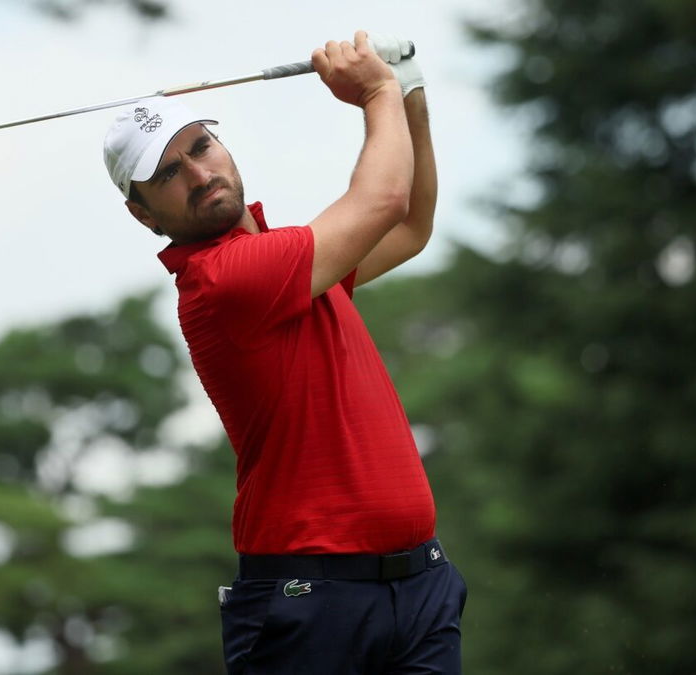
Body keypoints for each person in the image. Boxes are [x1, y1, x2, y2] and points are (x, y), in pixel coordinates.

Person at [102, 30, 464, 673]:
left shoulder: (293, 262)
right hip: (313, 601)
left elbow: (409, 227)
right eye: (167, 173)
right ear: (143, 214)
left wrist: (409, 94)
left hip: (419, 588)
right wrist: (378, 89)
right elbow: (381, 201)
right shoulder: (226, 280)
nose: (199, 172)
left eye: (201, 147)